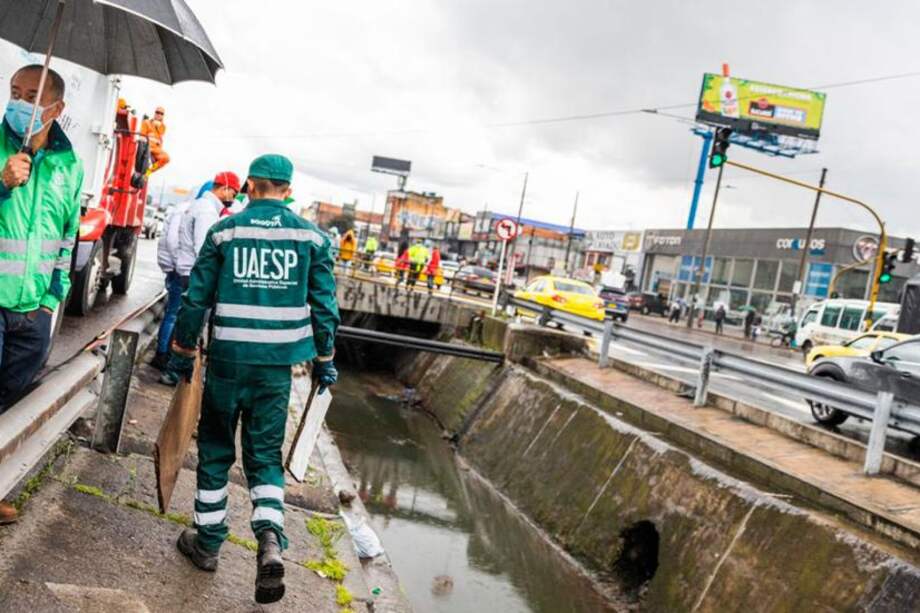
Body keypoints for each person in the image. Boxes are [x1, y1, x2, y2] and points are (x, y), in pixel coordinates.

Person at [167, 154, 339, 604]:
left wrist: (183, 351)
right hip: (276, 370)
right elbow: (324, 310)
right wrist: (325, 360)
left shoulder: (225, 231)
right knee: (264, 457)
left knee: (217, 450)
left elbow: (196, 297)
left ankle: (206, 544)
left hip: (227, 363)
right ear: (287, 188)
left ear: (250, 185)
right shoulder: (312, 238)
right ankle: (269, 541)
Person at [0, 64, 83, 524]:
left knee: (12, 402)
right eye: (14, 92)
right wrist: (2, 183)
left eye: (32, 95)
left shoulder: (69, 165)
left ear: (56, 108)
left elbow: (66, 238)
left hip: (33, 310)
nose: (19, 102)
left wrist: (53, 299)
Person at [160, 171, 241, 385]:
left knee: (180, 318)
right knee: (188, 323)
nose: (233, 198)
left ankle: (170, 364)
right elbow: (203, 249)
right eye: (233, 192)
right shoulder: (206, 211)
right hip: (193, 273)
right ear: (223, 188)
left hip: (186, 271)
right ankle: (172, 369)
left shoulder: (202, 206)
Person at [152, 180, 213, 370]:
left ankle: (163, 353)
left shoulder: (187, 208)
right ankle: (162, 354)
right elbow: (173, 241)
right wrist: (177, 264)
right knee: (174, 314)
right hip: (181, 270)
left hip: (177, 267)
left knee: (173, 313)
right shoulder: (194, 210)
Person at [141, 106, 169, 176]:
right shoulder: (146, 123)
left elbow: (160, 133)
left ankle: (148, 173)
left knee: (166, 159)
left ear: (163, 116)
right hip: (147, 147)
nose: (159, 114)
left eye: (161, 113)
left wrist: (157, 125)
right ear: (154, 113)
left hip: (156, 149)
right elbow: (142, 136)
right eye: (157, 112)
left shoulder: (163, 126)